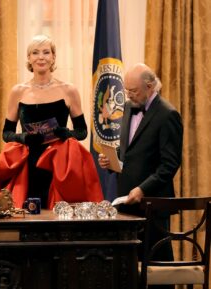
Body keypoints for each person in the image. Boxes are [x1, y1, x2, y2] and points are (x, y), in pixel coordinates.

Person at [98, 63, 183, 288]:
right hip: (126, 202)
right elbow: (131, 151)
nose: (129, 95)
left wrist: (143, 189)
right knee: (128, 270)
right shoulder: (129, 106)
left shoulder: (168, 114)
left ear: (150, 86)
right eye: (126, 90)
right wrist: (112, 161)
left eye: (133, 90)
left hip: (153, 204)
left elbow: (170, 165)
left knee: (159, 270)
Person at [0, 34, 101, 209]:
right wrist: (24, 138)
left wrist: (66, 133)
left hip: (59, 163)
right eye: (35, 53)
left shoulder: (69, 90)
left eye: (46, 52)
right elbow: (6, 134)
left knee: (58, 216)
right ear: (29, 58)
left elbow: (82, 131)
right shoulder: (18, 91)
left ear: (53, 57)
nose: (41, 57)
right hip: (27, 164)